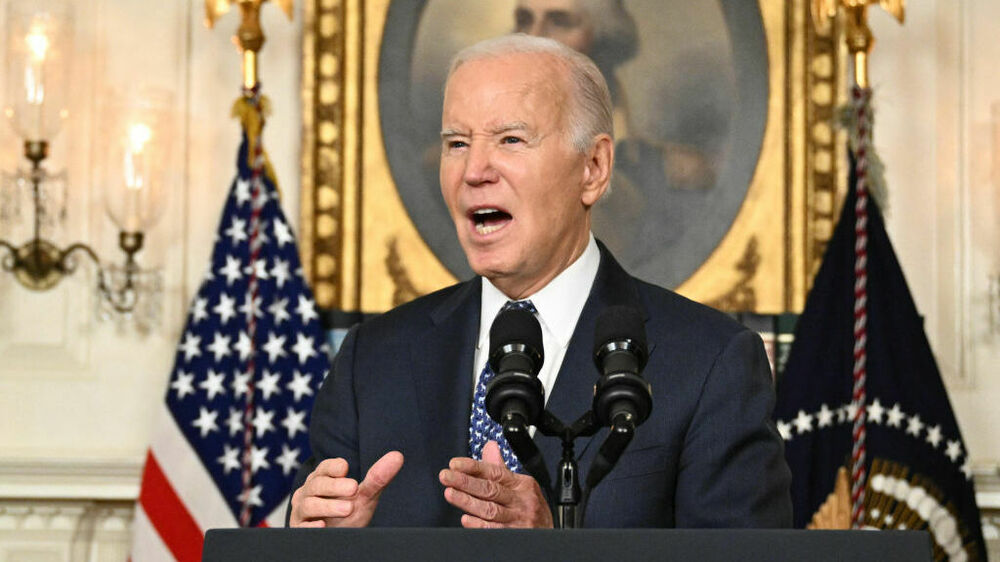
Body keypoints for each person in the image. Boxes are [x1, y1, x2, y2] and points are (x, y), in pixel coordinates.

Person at [288, 34, 791, 529]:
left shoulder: (711, 363)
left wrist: (559, 547)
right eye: (456, 144)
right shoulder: (371, 361)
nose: (474, 170)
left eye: (510, 139)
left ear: (593, 168)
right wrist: (316, 547)